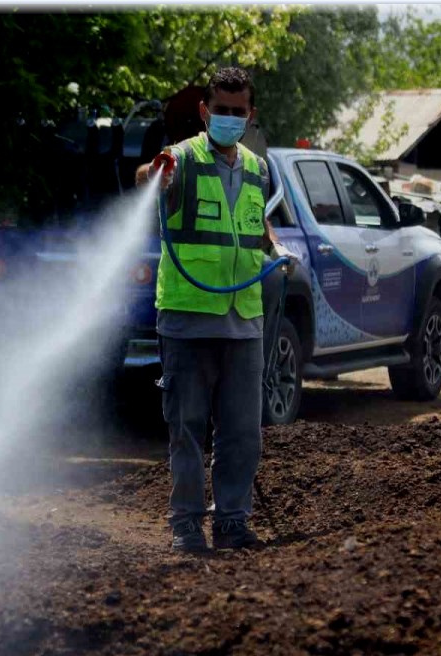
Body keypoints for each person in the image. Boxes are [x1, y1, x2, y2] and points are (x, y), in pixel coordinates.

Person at [135, 67, 298, 553]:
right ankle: (186, 525)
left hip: (243, 321)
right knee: (186, 430)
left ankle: (232, 522)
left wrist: (277, 250)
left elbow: (256, 228)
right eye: (220, 110)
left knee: (242, 433)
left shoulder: (256, 167)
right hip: (187, 319)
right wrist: (154, 172)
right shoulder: (180, 159)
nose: (229, 118)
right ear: (205, 112)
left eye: (238, 111)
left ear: (250, 114)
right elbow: (144, 178)